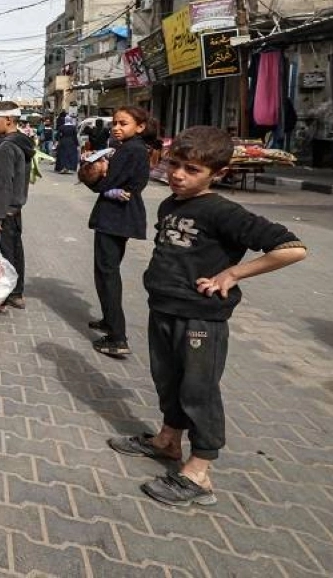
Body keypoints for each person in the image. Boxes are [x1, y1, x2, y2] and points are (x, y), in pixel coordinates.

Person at [108, 126, 306, 508]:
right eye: (175, 165)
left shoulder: (224, 211)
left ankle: (199, 472)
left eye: (192, 170)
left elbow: (292, 249)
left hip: (200, 320)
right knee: (168, 381)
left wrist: (231, 274)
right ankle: (167, 441)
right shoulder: (170, 204)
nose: (179, 175)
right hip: (164, 309)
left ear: (217, 173)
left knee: (198, 391)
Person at [85, 107, 159, 358]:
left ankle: (118, 337)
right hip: (115, 215)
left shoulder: (132, 149)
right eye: (115, 123)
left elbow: (106, 183)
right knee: (104, 270)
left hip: (117, 217)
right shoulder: (128, 147)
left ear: (139, 127)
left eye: (123, 123)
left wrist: (97, 176)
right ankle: (109, 320)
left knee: (108, 274)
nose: (117, 127)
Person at [0, 101, 34, 311]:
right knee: (14, 251)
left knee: (1, 254)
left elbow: (3, 183)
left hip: (2, 211)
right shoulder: (22, 143)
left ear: (9, 120)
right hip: (14, 208)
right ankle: (16, 293)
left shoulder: (6, 147)